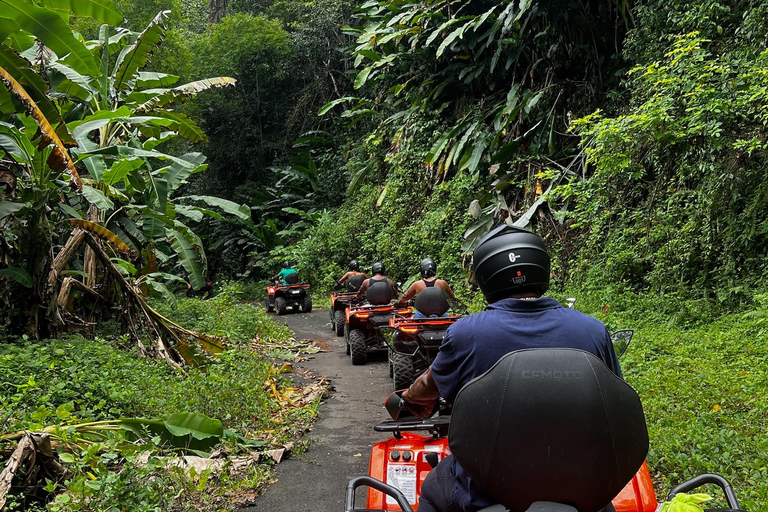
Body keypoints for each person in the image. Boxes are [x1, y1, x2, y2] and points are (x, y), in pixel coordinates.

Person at [401, 225, 621, 512]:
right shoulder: (593, 330)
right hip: (581, 487)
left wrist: (409, 396)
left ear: (486, 276)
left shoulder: (466, 333)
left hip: (487, 493)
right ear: (541, 267)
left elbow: (429, 384)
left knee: (432, 488)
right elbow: (615, 403)